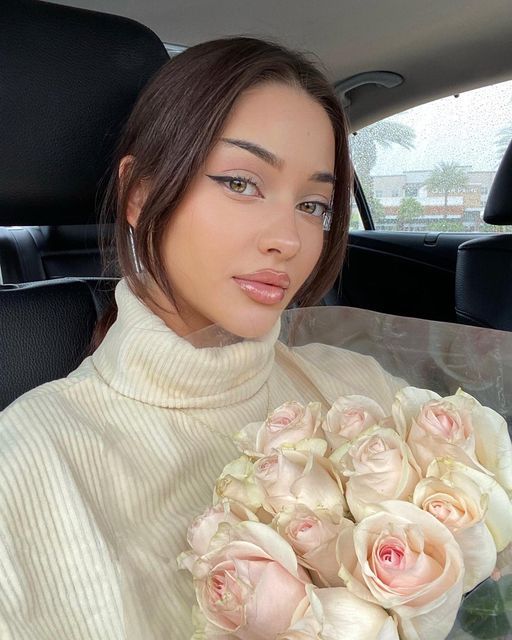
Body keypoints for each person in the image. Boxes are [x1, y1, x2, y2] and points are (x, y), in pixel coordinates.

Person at [0, 37, 403, 639]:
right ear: (139, 193)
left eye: (314, 205)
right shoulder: (27, 466)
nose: (289, 239)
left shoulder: (359, 390)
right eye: (242, 183)